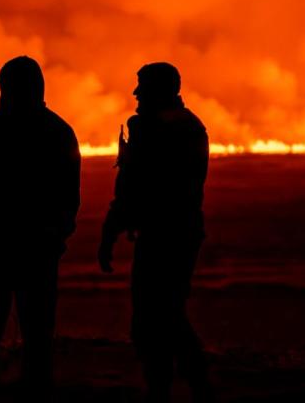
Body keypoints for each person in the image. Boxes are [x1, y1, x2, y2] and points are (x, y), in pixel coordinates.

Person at [0, 56, 81, 402]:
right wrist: (56, 236)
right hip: (36, 250)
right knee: (37, 332)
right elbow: (69, 195)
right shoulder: (58, 131)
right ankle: (35, 390)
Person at [97, 62, 213, 403]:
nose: (136, 94)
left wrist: (110, 231)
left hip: (167, 235)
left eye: (142, 87)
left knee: (158, 316)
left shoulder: (160, 130)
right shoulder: (184, 127)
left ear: (159, 90)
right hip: (174, 232)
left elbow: (136, 187)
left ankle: (181, 385)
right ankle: (179, 385)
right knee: (160, 314)